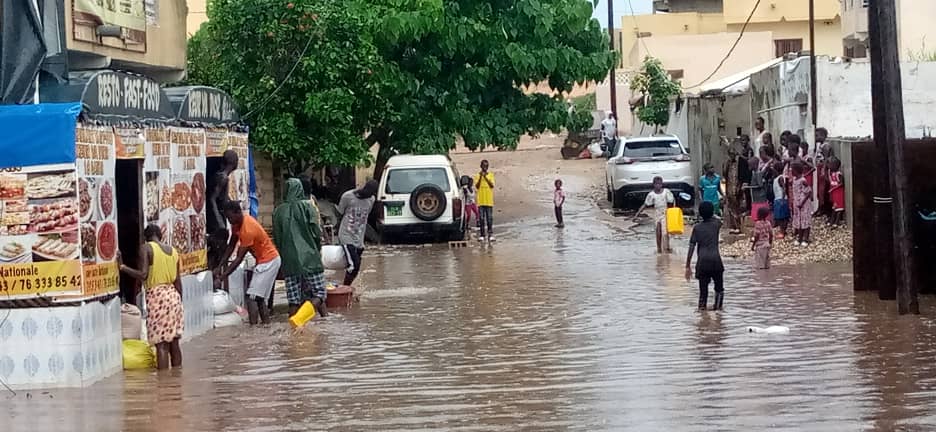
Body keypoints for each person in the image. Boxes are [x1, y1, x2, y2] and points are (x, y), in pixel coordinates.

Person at [118, 224, 183, 369]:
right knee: (174, 342)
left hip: (158, 297)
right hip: (174, 296)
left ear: (146, 237)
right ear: (160, 235)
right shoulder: (174, 251)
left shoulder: (146, 248)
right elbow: (178, 281)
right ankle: (177, 379)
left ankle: (163, 384)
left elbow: (143, 274)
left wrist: (122, 267)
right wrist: (180, 304)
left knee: (161, 345)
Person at [217, 201, 281, 324]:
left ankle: (253, 330)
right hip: (265, 260)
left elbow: (239, 258)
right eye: (227, 218)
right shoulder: (236, 223)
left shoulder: (248, 228)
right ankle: (265, 327)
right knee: (259, 298)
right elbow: (231, 245)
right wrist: (220, 265)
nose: (229, 221)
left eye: (230, 217)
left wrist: (222, 277)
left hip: (268, 261)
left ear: (237, 212)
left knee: (251, 298)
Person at [274, 178, 328, 317]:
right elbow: (316, 231)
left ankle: (294, 329)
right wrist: (317, 248)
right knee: (320, 292)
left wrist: (284, 255)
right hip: (309, 257)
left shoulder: (278, 211)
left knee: (293, 300)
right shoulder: (307, 206)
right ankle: (300, 319)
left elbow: (277, 238)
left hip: (289, 260)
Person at [337, 180, 378, 287]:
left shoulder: (371, 199)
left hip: (359, 238)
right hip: (346, 235)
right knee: (354, 265)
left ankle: (348, 288)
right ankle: (345, 288)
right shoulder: (347, 196)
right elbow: (340, 213)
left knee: (356, 265)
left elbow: (366, 215)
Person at [686, 201, 725, 311]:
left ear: (700, 213)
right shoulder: (716, 225)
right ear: (712, 212)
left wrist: (687, 265)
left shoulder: (697, 228)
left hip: (702, 263)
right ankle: (718, 312)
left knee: (703, 292)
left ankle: (702, 312)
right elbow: (718, 219)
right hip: (716, 261)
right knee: (719, 289)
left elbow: (691, 247)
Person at [207, 150, 239, 271]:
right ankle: (216, 275)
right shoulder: (222, 177)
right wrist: (218, 221)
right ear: (234, 162)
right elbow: (212, 199)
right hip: (216, 218)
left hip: (220, 214)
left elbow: (223, 198)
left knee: (220, 251)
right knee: (219, 250)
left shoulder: (223, 177)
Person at [634, 176, 675, 254]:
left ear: (662, 184)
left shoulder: (666, 192)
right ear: (653, 185)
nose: (658, 186)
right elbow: (645, 205)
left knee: (665, 232)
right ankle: (659, 249)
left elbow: (671, 202)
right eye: (657, 184)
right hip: (657, 214)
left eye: (660, 184)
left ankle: (667, 247)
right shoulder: (651, 195)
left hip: (665, 213)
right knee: (658, 231)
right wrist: (637, 214)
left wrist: (673, 214)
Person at [791, 161, 814, 247]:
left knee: (805, 221)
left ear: (796, 171)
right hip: (797, 204)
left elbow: (808, 192)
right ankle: (799, 237)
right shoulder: (794, 179)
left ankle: (806, 238)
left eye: (792, 170)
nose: (791, 171)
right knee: (799, 221)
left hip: (804, 204)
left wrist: (802, 202)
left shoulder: (803, 180)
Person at [722, 140, 742, 232]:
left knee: (737, 207)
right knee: (730, 207)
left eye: (733, 154)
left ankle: (738, 226)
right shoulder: (727, 163)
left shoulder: (739, 163)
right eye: (730, 154)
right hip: (729, 187)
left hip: (737, 187)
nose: (732, 156)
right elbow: (725, 175)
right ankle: (733, 226)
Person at [474, 160, 496, 242]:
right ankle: (482, 235)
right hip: (481, 200)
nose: (485, 168)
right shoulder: (477, 175)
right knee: (481, 218)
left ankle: (490, 234)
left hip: (489, 200)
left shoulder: (491, 175)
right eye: (483, 166)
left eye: (486, 166)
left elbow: (492, 185)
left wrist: (486, 177)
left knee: (489, 218)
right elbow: (477, 186)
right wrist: (480, 177)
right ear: (481, 166)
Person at [828, 157, 846, 227]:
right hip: (834, 193)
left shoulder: (839, 174)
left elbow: (841, 184)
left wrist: (833, 189)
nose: (829, 166)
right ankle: (832, 220)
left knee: (839, 207)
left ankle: (836, 221)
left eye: (830, 165)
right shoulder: (832, 173)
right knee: (834, 207)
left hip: (838, 193)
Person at [772, 174, 790, 239]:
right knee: (780, 217)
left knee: (781, 217)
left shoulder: (780, 178)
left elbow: (784, 188)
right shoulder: (777, 178)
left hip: (780, 199)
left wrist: (782, 199)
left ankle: (782, 232)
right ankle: (783, 231)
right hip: (778, 199)